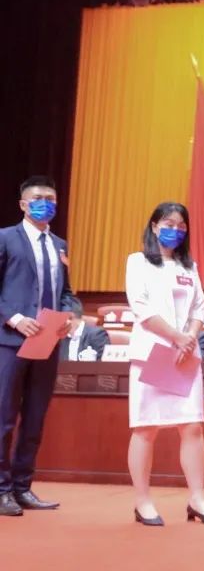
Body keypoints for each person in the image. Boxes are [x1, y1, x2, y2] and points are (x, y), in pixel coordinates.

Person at [125, 201, 204, 527]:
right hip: (153, 354)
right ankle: (143, 501)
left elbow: (199, 308)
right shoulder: (138, 262)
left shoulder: (189, 266)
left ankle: (197, 498)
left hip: (185, 357)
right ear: (154, 226)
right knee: (145, 428)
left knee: (192, 426)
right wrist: (177, 337)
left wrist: (189, 338)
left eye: (181, 226)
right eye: (168, 224)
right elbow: (141, 308)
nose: (175, 230)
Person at [0, 175, 77, 517]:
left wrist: (70, 314)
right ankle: (1, 490)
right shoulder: (5, 238)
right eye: (38, 198)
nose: (45, 203)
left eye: (51, 198)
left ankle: (22, 487)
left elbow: (66, 292)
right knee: (4, 418)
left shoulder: (59, 244)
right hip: (10, 340)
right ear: (23, 204)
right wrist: (14, 318)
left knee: (34, 418)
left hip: (47, 343)